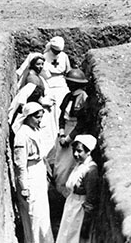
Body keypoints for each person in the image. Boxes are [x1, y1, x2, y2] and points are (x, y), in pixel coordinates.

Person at [12, 102, 55, 243]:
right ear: (28, 117)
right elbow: (20, 165)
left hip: (39, 171)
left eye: (41, 117)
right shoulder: (22, 135)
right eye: (37, 117)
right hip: (30, 175)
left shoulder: (35, 130)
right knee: (33, 213)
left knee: (42, 211)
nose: (39, 120)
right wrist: (24, 187)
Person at [9, 53, 56, 158]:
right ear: (32, 64)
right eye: (38, 64)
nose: (40, 66)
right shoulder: (32, 79)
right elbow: (26, 95)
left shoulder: (36, 77)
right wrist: (43, 102)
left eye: (42, 64)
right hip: (33, 111)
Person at [55, 134, 99, 243]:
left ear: (88, 151)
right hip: (72, 204)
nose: (75, 154)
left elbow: (91, 198)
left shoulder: (90, 170)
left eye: (79, 151)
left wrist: (86, 221)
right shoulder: (80, 165)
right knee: (66, 234)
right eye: (74, 150)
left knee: (74, 237)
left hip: (80, 210)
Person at [53, 69, 90, 197]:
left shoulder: (83, 98)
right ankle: (59, 193)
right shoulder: (68, 96)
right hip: (65, 133)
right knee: (59, 166)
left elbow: (82, 123)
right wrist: (62, 133)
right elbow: (62, 117)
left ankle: (67, 195)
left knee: (69, 166)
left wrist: (68, 139)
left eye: (71, 82)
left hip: (75, 135)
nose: (69, 84)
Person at [42, 36, 71, 128]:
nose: (57, 53)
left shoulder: (64, 56)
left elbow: (68, 70)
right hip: (49, 83)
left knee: (64, 104)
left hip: (62, 83)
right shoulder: (44, 57)